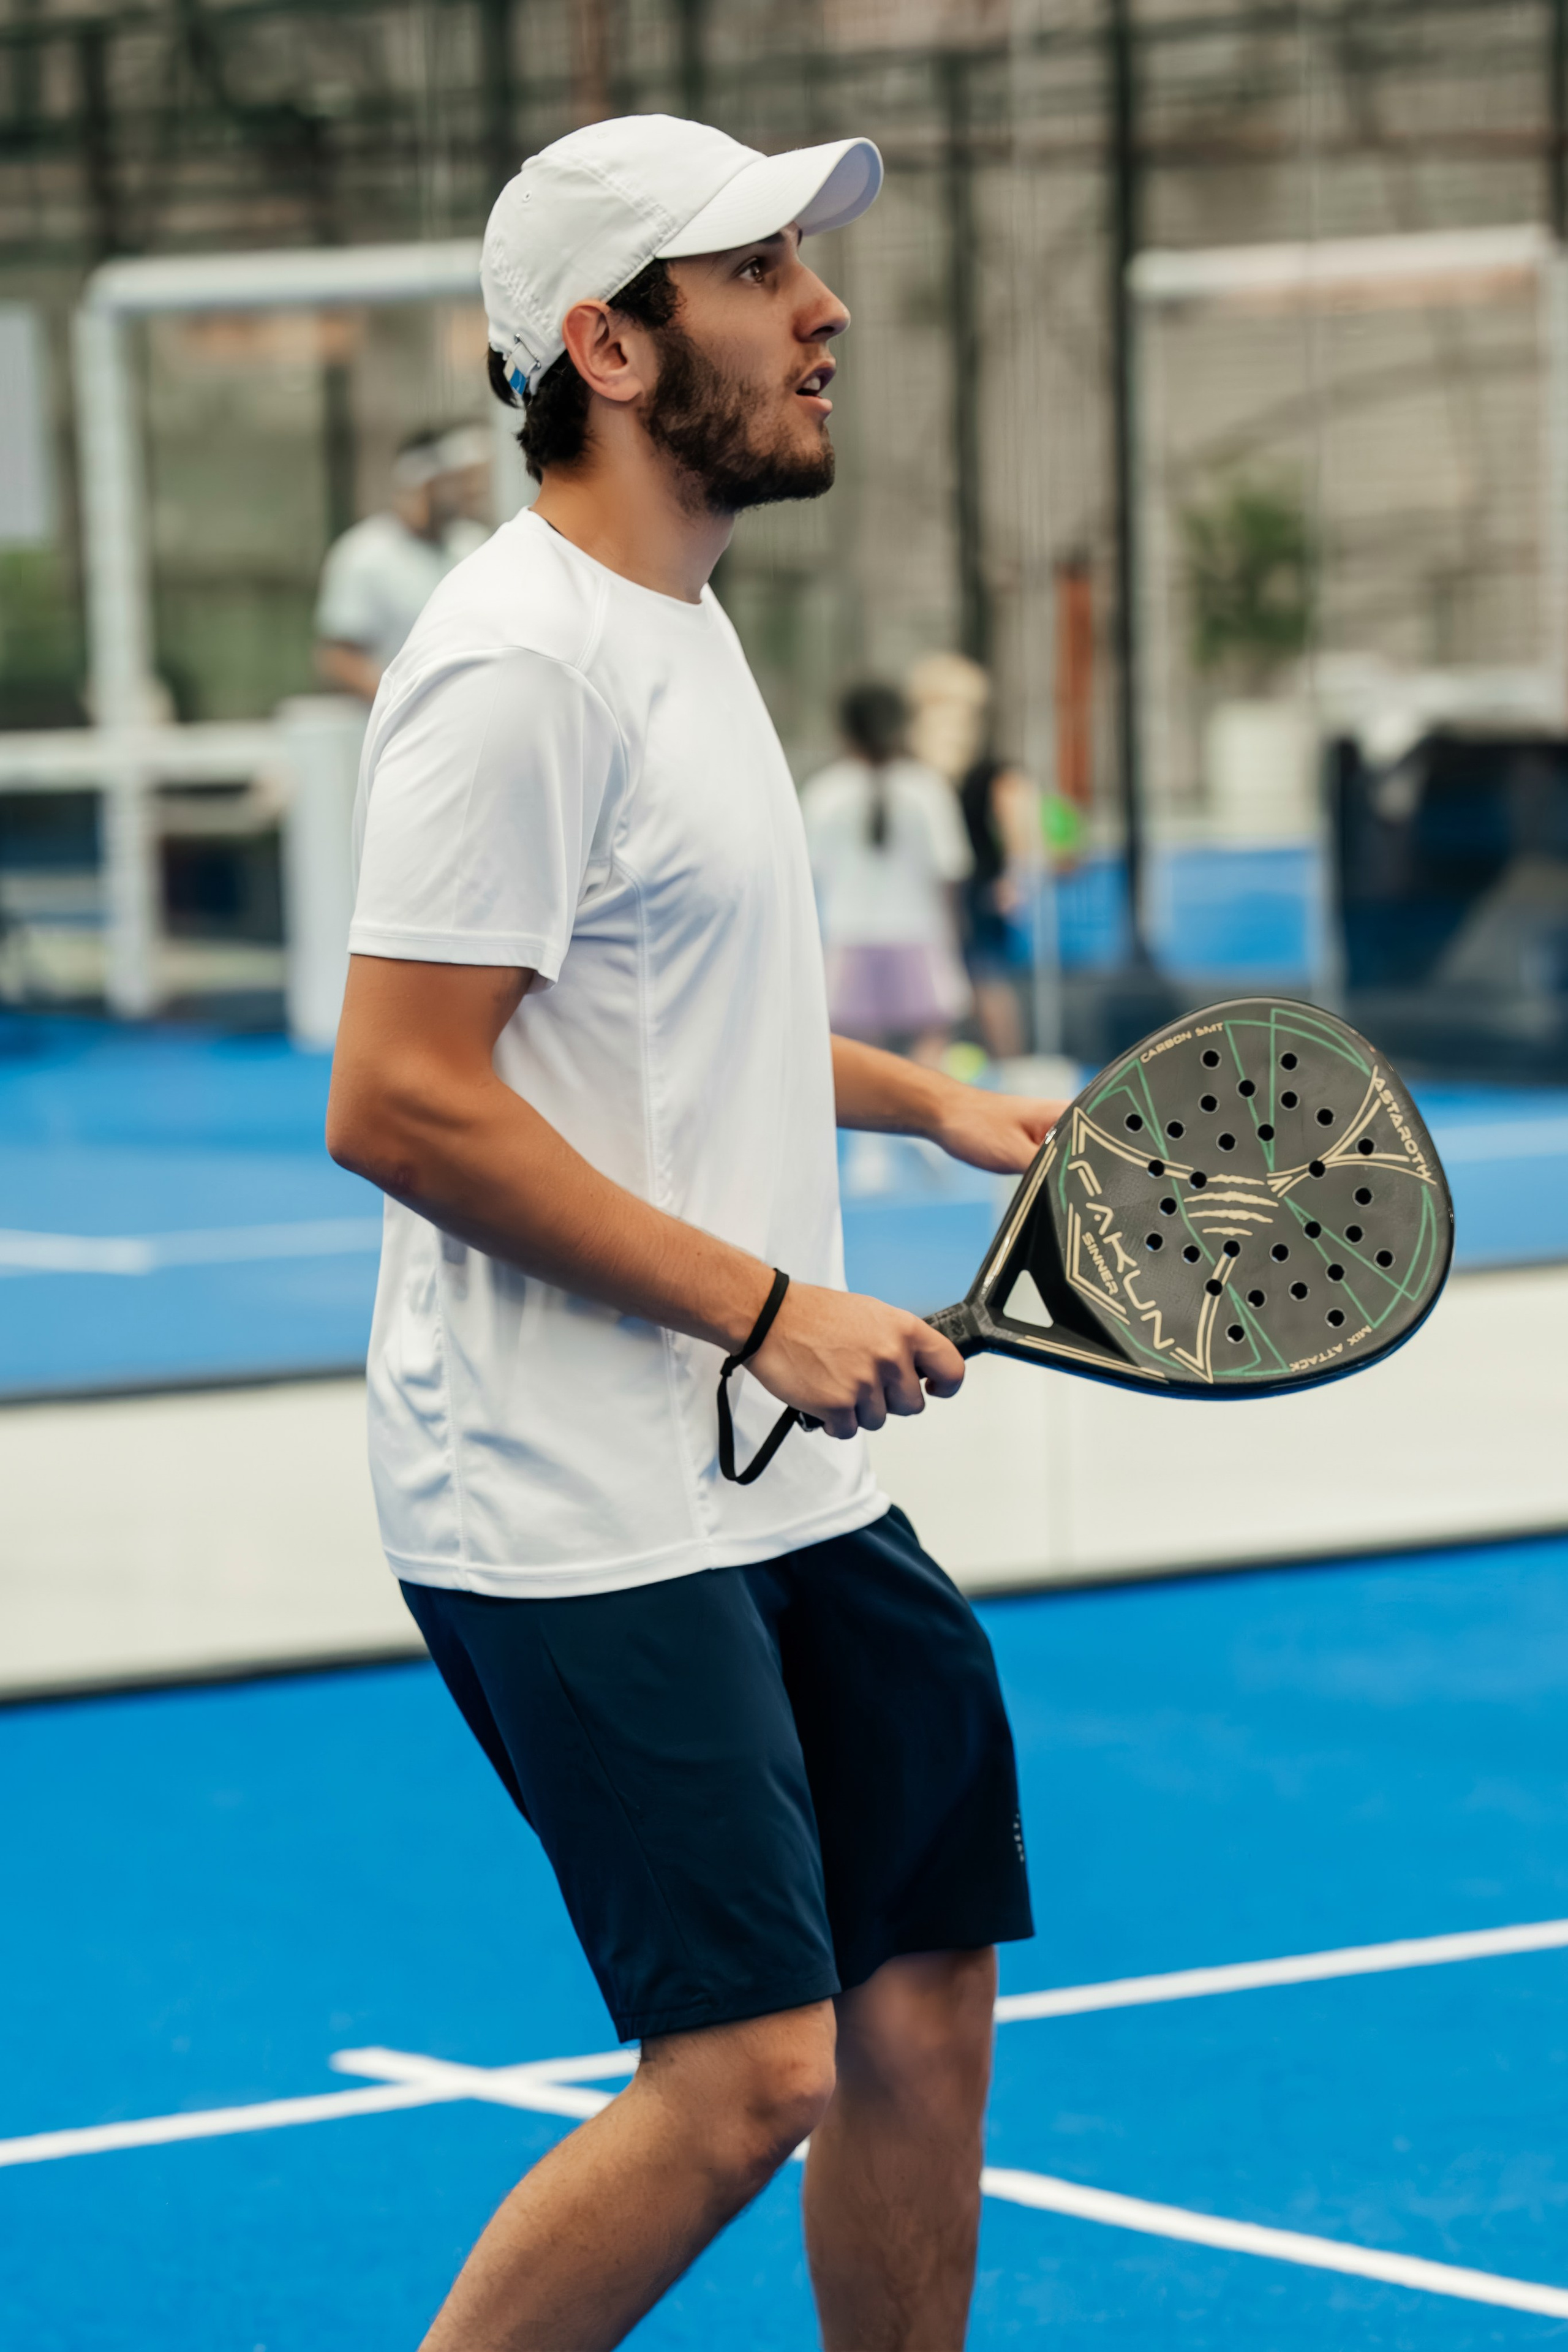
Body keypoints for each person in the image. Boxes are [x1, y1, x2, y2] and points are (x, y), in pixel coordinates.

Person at [327, 111, 1066, 2352]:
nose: (821, 309)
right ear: (610, 348)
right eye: (757, 275)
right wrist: (764, 1306)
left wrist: (932, 1099)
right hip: (569, 1493)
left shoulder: (675, 628)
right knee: (751, 2070)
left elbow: (668, 1021)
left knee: (919, 1982)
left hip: (766, 1468)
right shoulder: (518, 664)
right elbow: (401, 1095)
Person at [801, 680, 973, 1064]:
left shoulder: (823, 792)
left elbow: (810, 874)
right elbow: (950, 871)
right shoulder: (927, 789)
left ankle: (867, 1126)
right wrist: (955, 936)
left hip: (848, 936)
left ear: (843, 730)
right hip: (918, 932)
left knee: (859, 1052)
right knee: (932, 1036)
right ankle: (927, 1116)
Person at [312, 424, 491, 701]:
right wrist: (403, 700)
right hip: (400, 725)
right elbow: (338, 658)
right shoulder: (363, 554)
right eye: (440, 485)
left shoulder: (475, 544)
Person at [958, 752, 1044, 1063]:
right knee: (975, 982)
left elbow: (1019, 825)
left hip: (984, 890)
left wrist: (1016, 879)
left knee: (988, 981)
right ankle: (998, 1057)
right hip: (974, 888)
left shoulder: (994, 773)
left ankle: (1009, 1059)